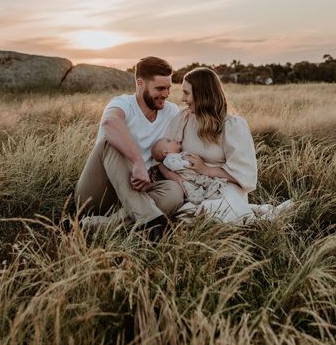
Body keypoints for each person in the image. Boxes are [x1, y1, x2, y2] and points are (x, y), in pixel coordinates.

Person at [158, 67, 289, 223]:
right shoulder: (183, 118)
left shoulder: (232, 125)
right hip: (191, 185)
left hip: (225, 186)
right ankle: (255, 211)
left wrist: (206, 169)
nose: (182, 99)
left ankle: (258, 214)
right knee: (182, 215)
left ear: (203, 94)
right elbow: (163, 156)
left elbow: (244, 174)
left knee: (217, 213)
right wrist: (178, 180)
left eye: (187, 93)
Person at [74, 56, 184, 239]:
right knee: (111, 141)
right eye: (160, 88)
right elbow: (110, 122)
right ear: (140, 83)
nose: (166, 94)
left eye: (168, 88)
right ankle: (152, 223)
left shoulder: (171, 111)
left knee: (174, 192)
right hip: (101, 191)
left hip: (137, 189)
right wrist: (138, 161)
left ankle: (98, 226)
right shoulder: (123, 104)